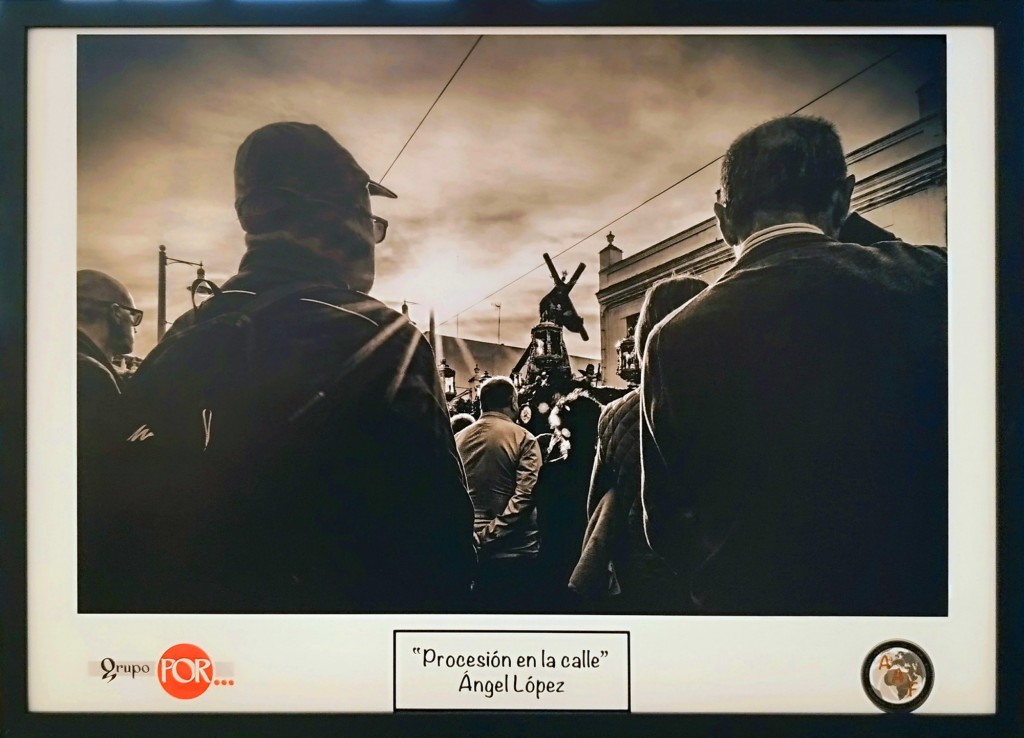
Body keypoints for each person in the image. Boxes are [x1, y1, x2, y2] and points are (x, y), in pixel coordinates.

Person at [89, 122, 476, 613]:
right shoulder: (382, 338)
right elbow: (441, 542)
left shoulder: (186, 332)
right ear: (340, 218)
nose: (372, 237)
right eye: (369, 219)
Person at [641, 115, 948, 616]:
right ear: (844, 198)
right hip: (915, 606)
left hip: (757, 610)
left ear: (722, 218)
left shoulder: (673, 338)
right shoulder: (934, 279)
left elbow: (665, 525)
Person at [569, 275, 707, 612]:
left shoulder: (613, 414)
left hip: (639, 565)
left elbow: (597, 501)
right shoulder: (728, 401)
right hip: (711, 565)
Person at [77, 270, 141, 601]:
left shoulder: (57, 361)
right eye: (134, 316)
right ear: (116, 313)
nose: (135, 327)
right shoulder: (89, 374)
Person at [455, 376, 542, 612]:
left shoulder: (457, 439)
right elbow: (525, 496)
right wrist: (488, 535)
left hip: (467, 546)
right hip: (515, 549)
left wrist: (472, 537)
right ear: (513, 401)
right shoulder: (524, 439)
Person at [534, 389, 601, 611]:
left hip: (554, 560)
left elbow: (543, 521)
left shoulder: (551, 473)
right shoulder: (606, 474)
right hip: (593, 562)